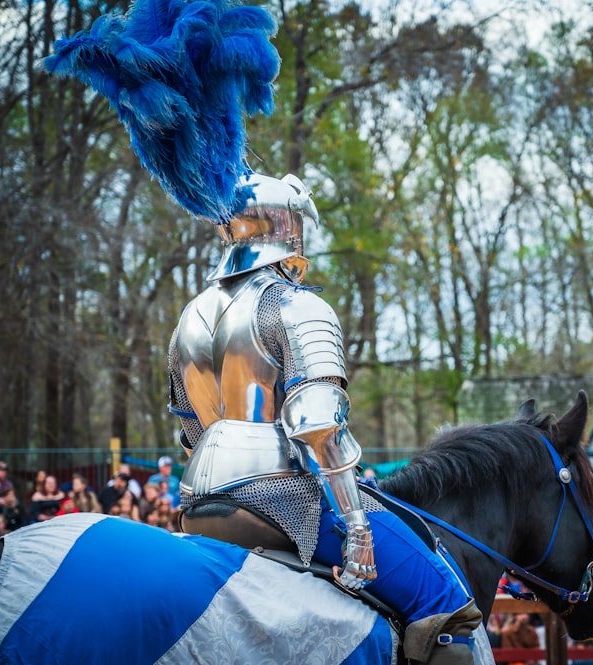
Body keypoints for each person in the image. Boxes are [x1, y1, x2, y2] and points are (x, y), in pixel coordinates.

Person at [167, 172, 482, 664]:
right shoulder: (296, 305)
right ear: (284, 224)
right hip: (277, 497)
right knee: (442, 597)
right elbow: (320, 428)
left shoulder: (191, 315)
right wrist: (356, 527)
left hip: (197, 499)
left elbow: (191, 427)